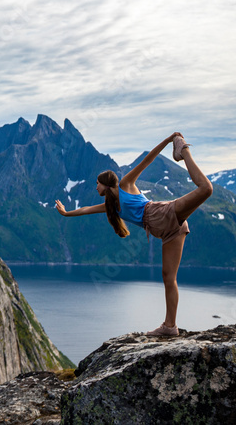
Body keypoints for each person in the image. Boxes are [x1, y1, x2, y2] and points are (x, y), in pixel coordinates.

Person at [54, 132, 212, 336]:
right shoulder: (110, 206)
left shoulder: (126, 185)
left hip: (161, 213)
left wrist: (168, 141)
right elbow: (85, 209)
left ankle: (183, 150)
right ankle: (170, 327)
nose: (95, 187)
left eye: (97, 183)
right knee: (168, 277)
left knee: (206, 189)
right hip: (168, 231)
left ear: (105, 183)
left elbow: (147, 160)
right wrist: (66, 213)